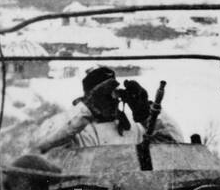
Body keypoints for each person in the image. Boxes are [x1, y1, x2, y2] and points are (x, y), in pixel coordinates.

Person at [36, 66, 182, 154]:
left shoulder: (134, 128)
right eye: (104, 95)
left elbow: (176, 147)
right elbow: (43, 144)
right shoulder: (73, 126)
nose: (112, 99)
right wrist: (87, 109)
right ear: (89, 97)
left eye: (114, 93)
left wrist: (147, 115)